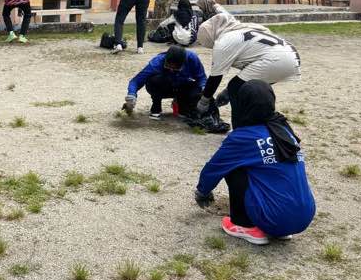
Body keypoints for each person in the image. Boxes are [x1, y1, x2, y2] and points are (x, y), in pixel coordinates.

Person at [194, 80, 316, 245]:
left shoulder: (243, 137)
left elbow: (215, 167)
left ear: (242, 104)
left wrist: (203, 191)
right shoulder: (284, 129)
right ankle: (280, 229)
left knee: (232, 167)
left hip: (275, 218)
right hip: (304, 216)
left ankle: (244, 225)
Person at [195, 13, 301, 117]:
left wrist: (204, 101)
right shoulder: (239, 30)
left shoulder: (223, 43)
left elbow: (215, 77)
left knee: (235, 87)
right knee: (251, 88)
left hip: (277, 59)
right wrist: (227, 93)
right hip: (292, 55)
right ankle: (261, 117)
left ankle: (242, 124)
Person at [123, 44, 206, 120]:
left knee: (196, 91)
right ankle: (156, 107)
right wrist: (131, 95)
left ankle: (181, 105)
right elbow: (136, 81)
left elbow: (202, 78)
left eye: (175, 68)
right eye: (168, 66)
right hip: (164, 86)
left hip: (182, 86)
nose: (171, 69)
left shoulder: (192, 59)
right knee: (154, 80)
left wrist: (204, 91)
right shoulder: (157, 62)